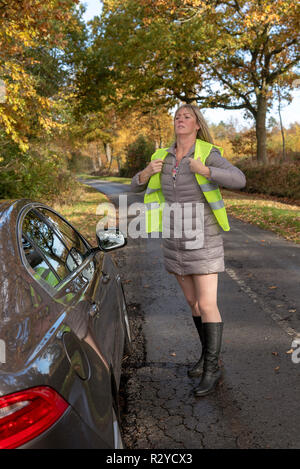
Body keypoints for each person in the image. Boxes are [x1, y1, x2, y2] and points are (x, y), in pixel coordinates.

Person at [130, 104, 246, 397]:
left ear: (196, 125)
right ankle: (208, 358)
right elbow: (135, 187)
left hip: (203, 236)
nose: (180, 120)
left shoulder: (207, 153)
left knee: (207, 304)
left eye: (187, 117)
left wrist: (205, 170)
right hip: (174, 237)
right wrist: (144, 173)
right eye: (177, 117)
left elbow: (239, 179)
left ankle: (211, 369)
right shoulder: (161, 156)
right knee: (193, 303)